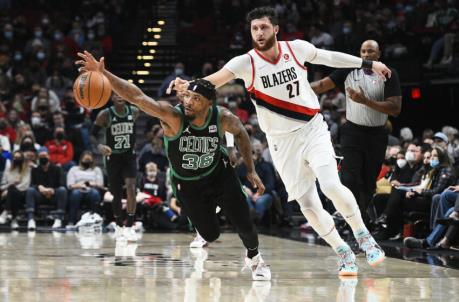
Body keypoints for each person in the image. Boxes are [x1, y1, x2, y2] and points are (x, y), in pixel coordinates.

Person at [168, 6, 390, 276]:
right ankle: (342, 251)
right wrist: (188, 84)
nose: (259, 33)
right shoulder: (245, 62)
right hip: (280, 143)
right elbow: (213, 81)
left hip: (311, 129)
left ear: (275, 29)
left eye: (263, 27)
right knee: (307, 204)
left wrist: (369, 63)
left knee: (331, 185)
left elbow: (330, 57)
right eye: (254, 29)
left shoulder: (296, 49)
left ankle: (365, 238)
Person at [75, 53, 271, 280]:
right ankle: (204, 224)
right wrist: (103, 74)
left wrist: (250, 169)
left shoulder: (222, 117)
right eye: (187, 96)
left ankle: (255, 258)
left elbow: (241, 134)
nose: (188, 102)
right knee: (211, 233)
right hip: (187, 183)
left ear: (209, 103)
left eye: (196, 99)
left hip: (218, 174)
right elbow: (137, 97)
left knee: (244, 221)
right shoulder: (173, 116)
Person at [310, 40, 402, 226]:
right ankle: (356, 224)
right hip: (353, 132)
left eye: (371, 51)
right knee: (349, 179)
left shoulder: (389, 74)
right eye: (363, 51)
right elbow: (320, 86)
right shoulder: (348, 69)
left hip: (377, 135)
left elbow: (395, 108)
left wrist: (365, 101)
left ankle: (363, 221)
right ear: (359, 54)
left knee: (368, 183)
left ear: (378, 54)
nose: (367, 55)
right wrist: (290, 91)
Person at [91, 94, 139, 242]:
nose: (120, 96)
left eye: (121, 94)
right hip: (113, 157)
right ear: (112, 98)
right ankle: (119, 226)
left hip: (129, 156)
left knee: (131, 188)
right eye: (116, 94)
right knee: (116, 194)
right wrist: (99, 146)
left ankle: (130, 226)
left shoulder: (134, 111)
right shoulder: (105, 114)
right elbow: (92, 134)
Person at [26, 147, 67, 230]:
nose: (43, 158)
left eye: (44, 156)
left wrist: (52, 190)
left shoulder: (57, 169)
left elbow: (62, 183)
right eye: (40, 156)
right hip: (40, 195)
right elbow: (32, 184)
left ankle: (58, 219)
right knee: (30, 190)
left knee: (62, 190)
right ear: (38, 158)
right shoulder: (35, 170)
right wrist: (39, 187)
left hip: (53, 195)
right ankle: (31, 220)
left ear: (49, 156)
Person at [66, 151, 104, 229]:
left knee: (95, 194)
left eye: (89, 160)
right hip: (77, 189)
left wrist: (89, 184)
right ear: (81, 160)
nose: (87, 162)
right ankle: (71, 221)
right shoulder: (74, 169)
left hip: (92, 189)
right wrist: (80, 185)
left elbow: (100, 184)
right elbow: (70, 185)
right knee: (75, 194)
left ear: (92, 161)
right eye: (85, 160)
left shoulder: (96, 170)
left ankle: (96, 221)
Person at [0, 151, 31, 229]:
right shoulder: (9, 168)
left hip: (23, 192)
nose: (16, 159)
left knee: (13, 191)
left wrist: (11, 188)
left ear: (22, 159)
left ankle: (5, 212)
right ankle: (14, 220)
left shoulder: (27, 169)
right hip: (9, 192)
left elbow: (25, 184)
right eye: (14, 157)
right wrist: (6, 189)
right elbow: (5, 182)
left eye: (18, 158)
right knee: (12, 191)